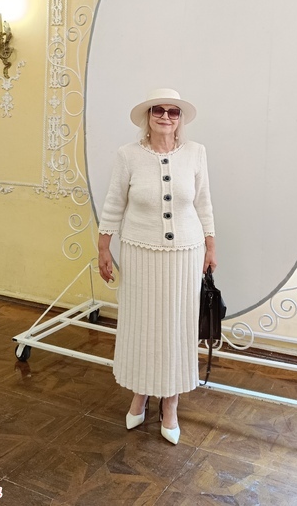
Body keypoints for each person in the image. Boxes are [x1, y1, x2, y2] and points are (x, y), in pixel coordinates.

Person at [98, 88, 216, 444]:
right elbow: (114, 201)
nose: (166, 116)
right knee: (142, 324)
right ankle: (141, 392)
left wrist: (211, 246)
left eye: (173, 112)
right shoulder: (128, 155)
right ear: (148, 117)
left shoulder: (196, 153)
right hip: (140, 253)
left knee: (177, 326)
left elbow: (203, 202)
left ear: (180, 119)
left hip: (185, 255)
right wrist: (103, 246)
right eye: (158, 111)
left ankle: (171, 401)